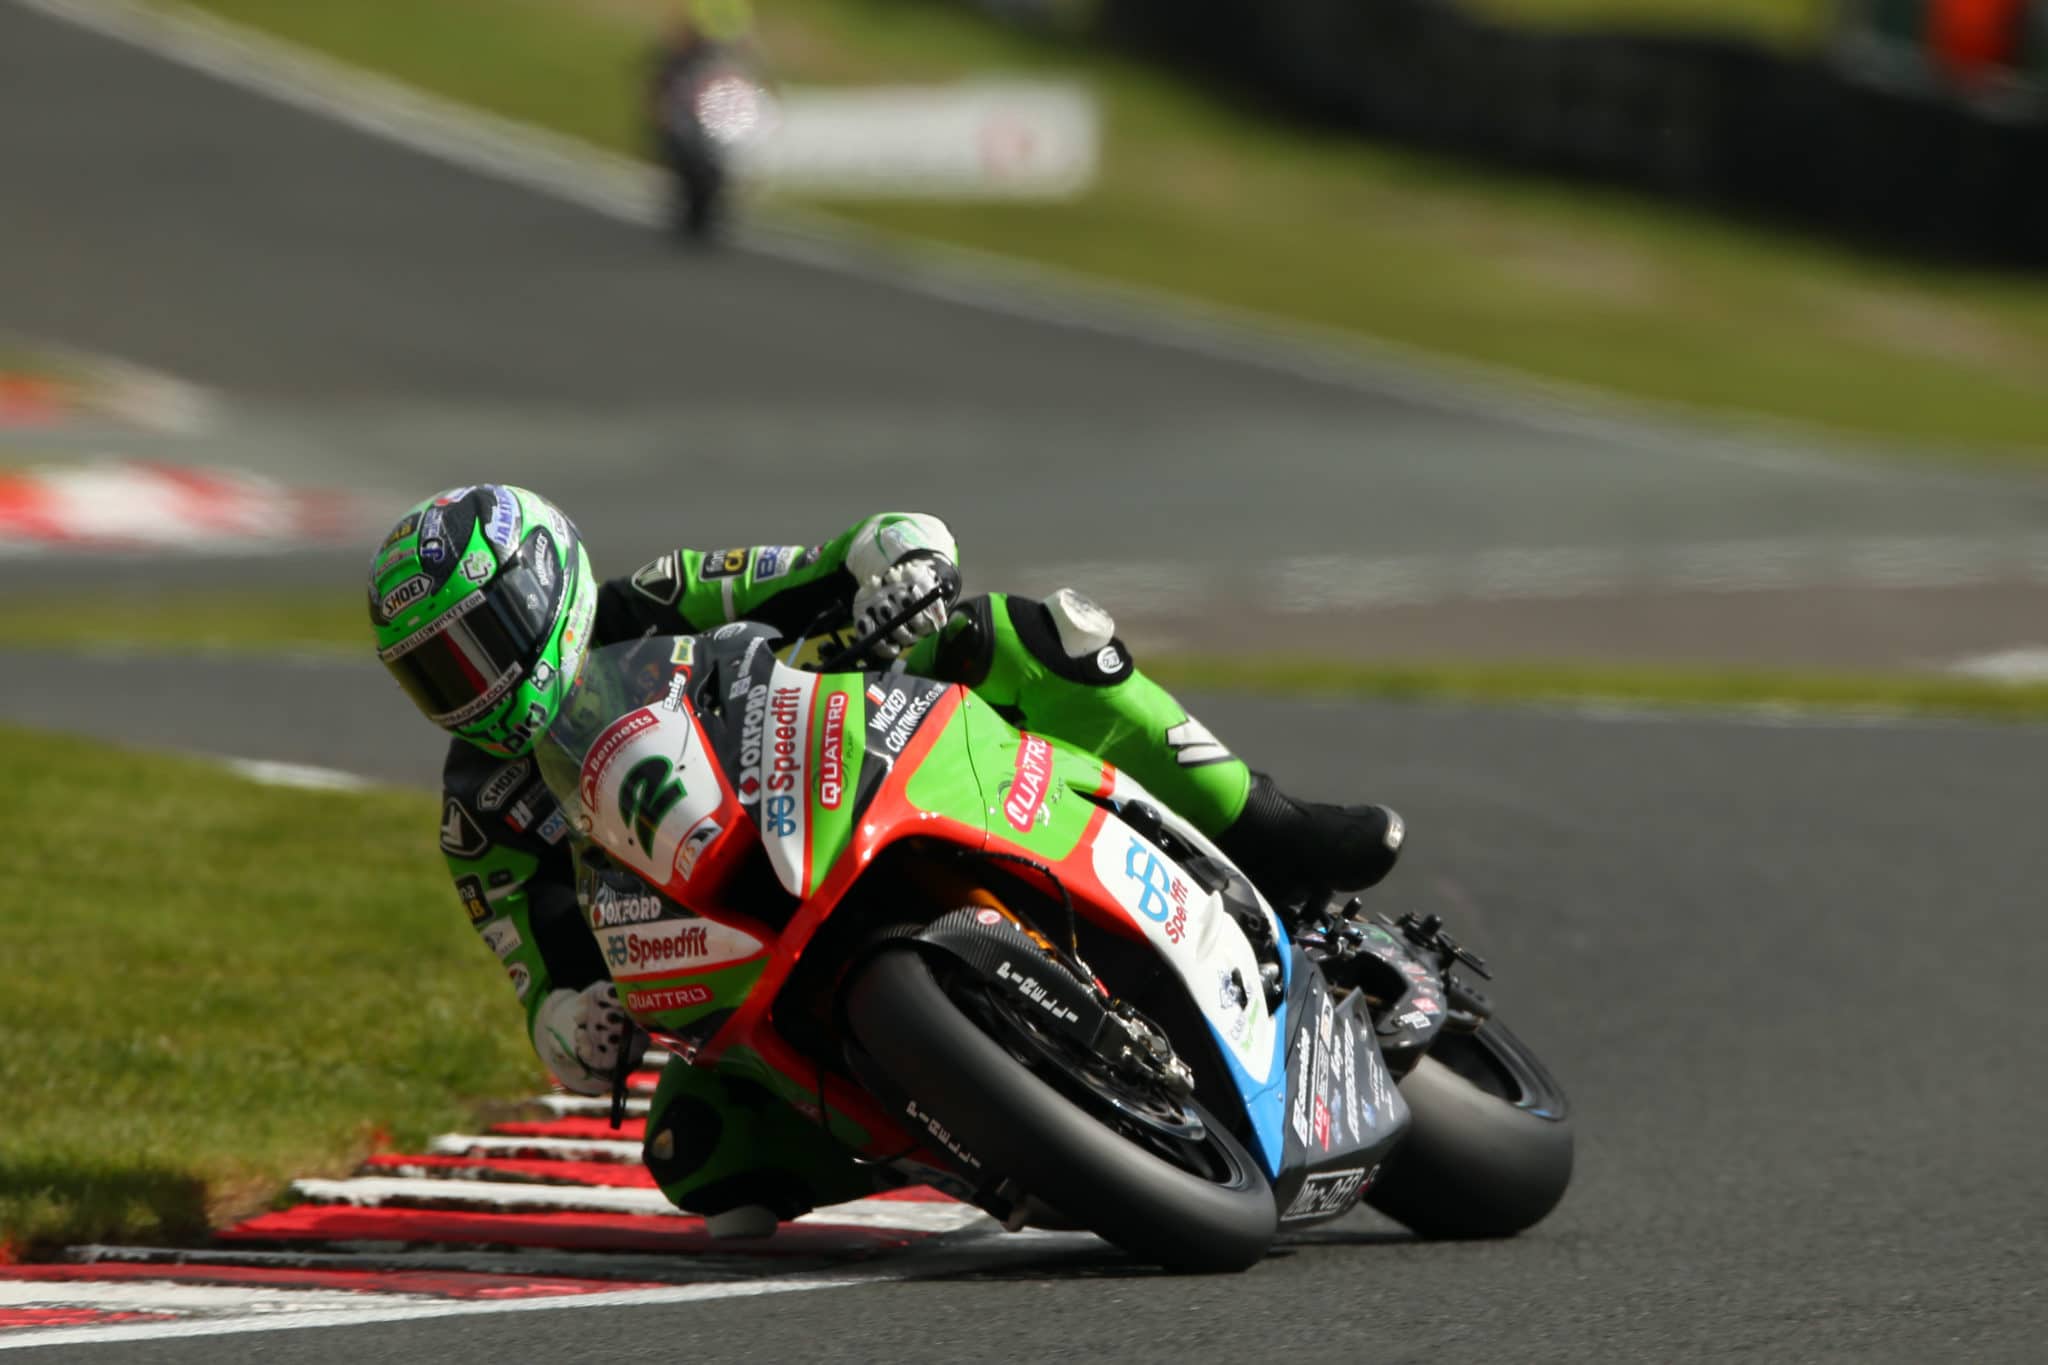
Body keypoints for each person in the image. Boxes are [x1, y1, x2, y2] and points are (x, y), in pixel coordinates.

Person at [368, 484, 1404, 1236]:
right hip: (728, 946)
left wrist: (902, 569)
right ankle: (989, 1127)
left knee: (1012, 635)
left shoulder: (657, 596)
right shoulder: (479, 809)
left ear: (541, 585)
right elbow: (533, 968)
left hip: (827, 784)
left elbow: (852, 547)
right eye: (432, 674)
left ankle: (1257, 821)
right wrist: (566, 1024)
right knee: (698, 1161)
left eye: (474, 644)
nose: (468, 685)